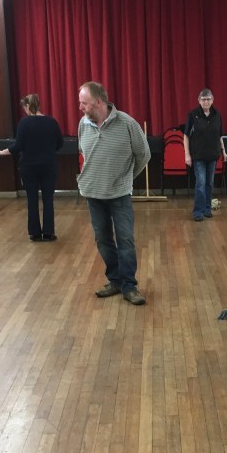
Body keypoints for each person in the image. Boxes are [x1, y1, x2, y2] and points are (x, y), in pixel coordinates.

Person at [78, 81, 150, 306]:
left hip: (119, 195)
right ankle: (115, 280)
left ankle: (129, 286)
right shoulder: (83, 124)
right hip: (93, 193)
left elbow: (143, 154)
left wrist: (126, 177)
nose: (80, 107)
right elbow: (84, 153)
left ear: (99, 102)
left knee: (125, 240)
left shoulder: (127, 123)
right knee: (103, 240)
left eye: (84, 103)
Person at [0, 93, 64, 241]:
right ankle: (48, 233)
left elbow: (18, 146)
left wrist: (3, 152)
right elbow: (59, 144)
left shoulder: (24, 123)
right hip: (49, 166)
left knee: (32, 199)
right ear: (39, 105)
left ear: (28, 106)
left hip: (29, 167)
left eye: (24, 108)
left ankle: (35, 233)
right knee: (48, 199)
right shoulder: (52, 122)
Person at [184, 88, 227, 222]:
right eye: (203, 99)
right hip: (198, 156)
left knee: (209, 183)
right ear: (199, 100)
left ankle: (207, 209)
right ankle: (198, 211)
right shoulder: (193, 115)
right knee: (201, 183)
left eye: (208, 99)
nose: (206, 102)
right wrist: (187, 155)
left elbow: (220, 135)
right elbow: (186, 136)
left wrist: (223, 151)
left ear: (212, 100)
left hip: (213, 155)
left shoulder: (217, 115)